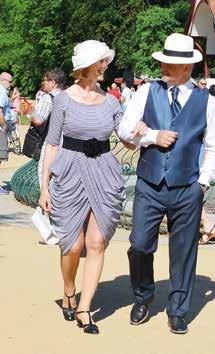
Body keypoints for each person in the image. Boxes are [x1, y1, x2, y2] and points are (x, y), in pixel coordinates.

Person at [117, 33, 215, 334]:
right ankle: (143, 296)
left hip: (187, 187)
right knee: (139, 244)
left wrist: (201, 184)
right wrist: (152, 136)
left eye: (170, 63)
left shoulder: (208, 101)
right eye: (163, 61)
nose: (163, 66)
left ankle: (178, 309)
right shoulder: (146, 91)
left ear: (186, 68)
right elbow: (125, 130)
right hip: (149, 183)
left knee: (184, 250)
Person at [38, 40, 136, 334]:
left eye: (105, 62)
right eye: (102, 63)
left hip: (104, 171)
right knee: (73, 245)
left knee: (96, 242)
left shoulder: (111, 102)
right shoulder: (64, 100)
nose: (106, 67)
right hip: (69, 172)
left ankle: (84, 307)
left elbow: (127, 138)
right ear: (89, 66)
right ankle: (70, 289)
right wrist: (45, 187)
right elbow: (52, 143)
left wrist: (141, 134)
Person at [31, 68, 66, 188]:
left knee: (44, 174)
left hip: (51, 143)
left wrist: (31, 115)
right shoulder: (69, 97)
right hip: (68, 145)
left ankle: (45, 204)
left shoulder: (48, 97)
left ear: (53, 82)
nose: (43, 83)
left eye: (45, 80)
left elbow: (38, 120)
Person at [0, 72, 13, 195]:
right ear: (3, 80)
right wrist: (4, 126)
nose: (11, 84)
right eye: (9, 82)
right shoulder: (2, 92)